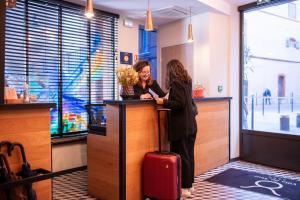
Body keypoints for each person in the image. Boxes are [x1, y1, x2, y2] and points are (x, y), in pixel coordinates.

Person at [156, 59, 197, 198]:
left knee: (183, 156)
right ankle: (190, 185)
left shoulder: (176, 83)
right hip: (190, 125)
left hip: (181, 127)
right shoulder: (187, 81)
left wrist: (164, 101)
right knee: (189, 156)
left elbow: (179, 103)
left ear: (171, 71)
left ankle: (184, 188)